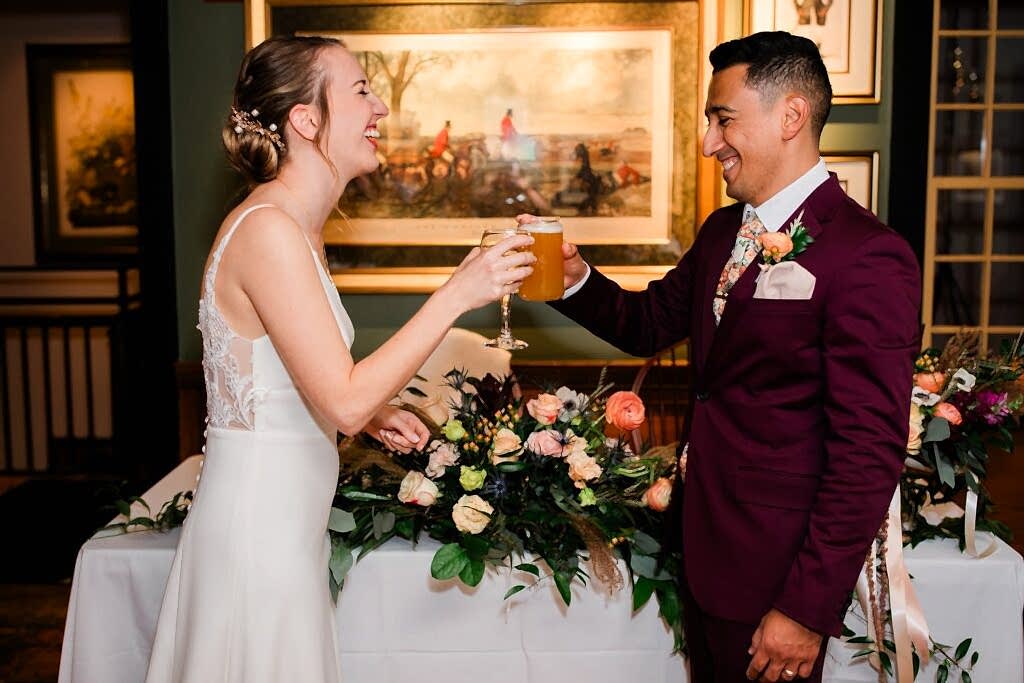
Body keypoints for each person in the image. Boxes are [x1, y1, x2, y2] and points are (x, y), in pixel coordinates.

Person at [521, 31, 920, 683]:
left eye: (723, 118)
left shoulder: (867, 256)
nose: (709, 142)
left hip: (780, 575)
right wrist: (571, 277)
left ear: (791, 115)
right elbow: (646, 323)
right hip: (707, 552)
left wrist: (804, 608)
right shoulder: (722, 231)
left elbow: (868, 449)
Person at [145, 36, 534, 683]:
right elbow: (342, 400)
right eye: (359, 90)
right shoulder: (268, 229)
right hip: (256, 541)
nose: (380, 106)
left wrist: (375, 411)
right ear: (306, 119)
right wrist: (456, 294)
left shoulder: (295, 225)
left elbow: (308, 380)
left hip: (284, 533)